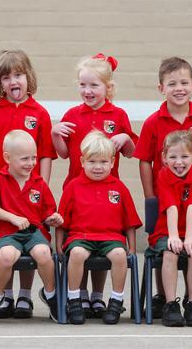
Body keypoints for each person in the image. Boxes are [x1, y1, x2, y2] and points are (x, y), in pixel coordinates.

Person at [133, 57, 192, 317]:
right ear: (161, 88)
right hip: (164, 201)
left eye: (184, 82)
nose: (179, 88)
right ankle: (165, 298)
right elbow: (143, 161)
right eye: (172, 83)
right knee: (168, 248)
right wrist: (151, 197)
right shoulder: (153, 121)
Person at [0, 50, 56, 318]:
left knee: (31, 240)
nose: (13, 81)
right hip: (0, 195)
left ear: (28, 77)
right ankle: (4, 296)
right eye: (6, 77)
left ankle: (24, 296)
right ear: (0, 83)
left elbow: (45, 154)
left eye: (18, 75)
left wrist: (40, 185)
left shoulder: (39, 113)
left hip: (28, 192)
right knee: (7, 244)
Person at [51, 53, 138, 318]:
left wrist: (125, 136)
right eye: (83, 85)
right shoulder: (72, 114)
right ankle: (81, 296)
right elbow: (64, 153)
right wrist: (56, 134)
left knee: (105, 241)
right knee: (82, 243)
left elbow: (131, 152)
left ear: (108, 87)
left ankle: (99, 297)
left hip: (108, 189)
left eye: (94, 85)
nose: (87, 91)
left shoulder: (118, 114)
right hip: (78, 189)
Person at [57, 131, 141, 325]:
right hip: (81, 236)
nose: (97, 167)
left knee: (120, 255)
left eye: (103, 162)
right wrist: (58, 246)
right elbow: (62, 222)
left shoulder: (119, 188)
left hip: (111, 238)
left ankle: (115, 301)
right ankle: (74, 300)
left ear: (112, 162)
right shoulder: (73, 186)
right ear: (82, 161)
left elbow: (130, 222)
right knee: (77, 253)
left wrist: (132, 249)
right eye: (92, 161)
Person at [0, 130, 62, 322]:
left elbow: (47, 212)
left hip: (34, 234)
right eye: (25, 158)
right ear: (7, 158)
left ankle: (51, 295)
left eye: (34, 157)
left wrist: (53, 218)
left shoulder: (39, 183)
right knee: (7, 256)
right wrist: (13, 218)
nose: (31, 163)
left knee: (43, 253)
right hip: (7, 234)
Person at [146, 130, 192, 327]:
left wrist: (189, 238)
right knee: (170, 252)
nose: (178, 162)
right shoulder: (163, 176)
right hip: (165, 231)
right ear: (164, 158)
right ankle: (170, 304)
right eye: (173, 157)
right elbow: (171, 207)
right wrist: (173, 236)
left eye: (184, 156)